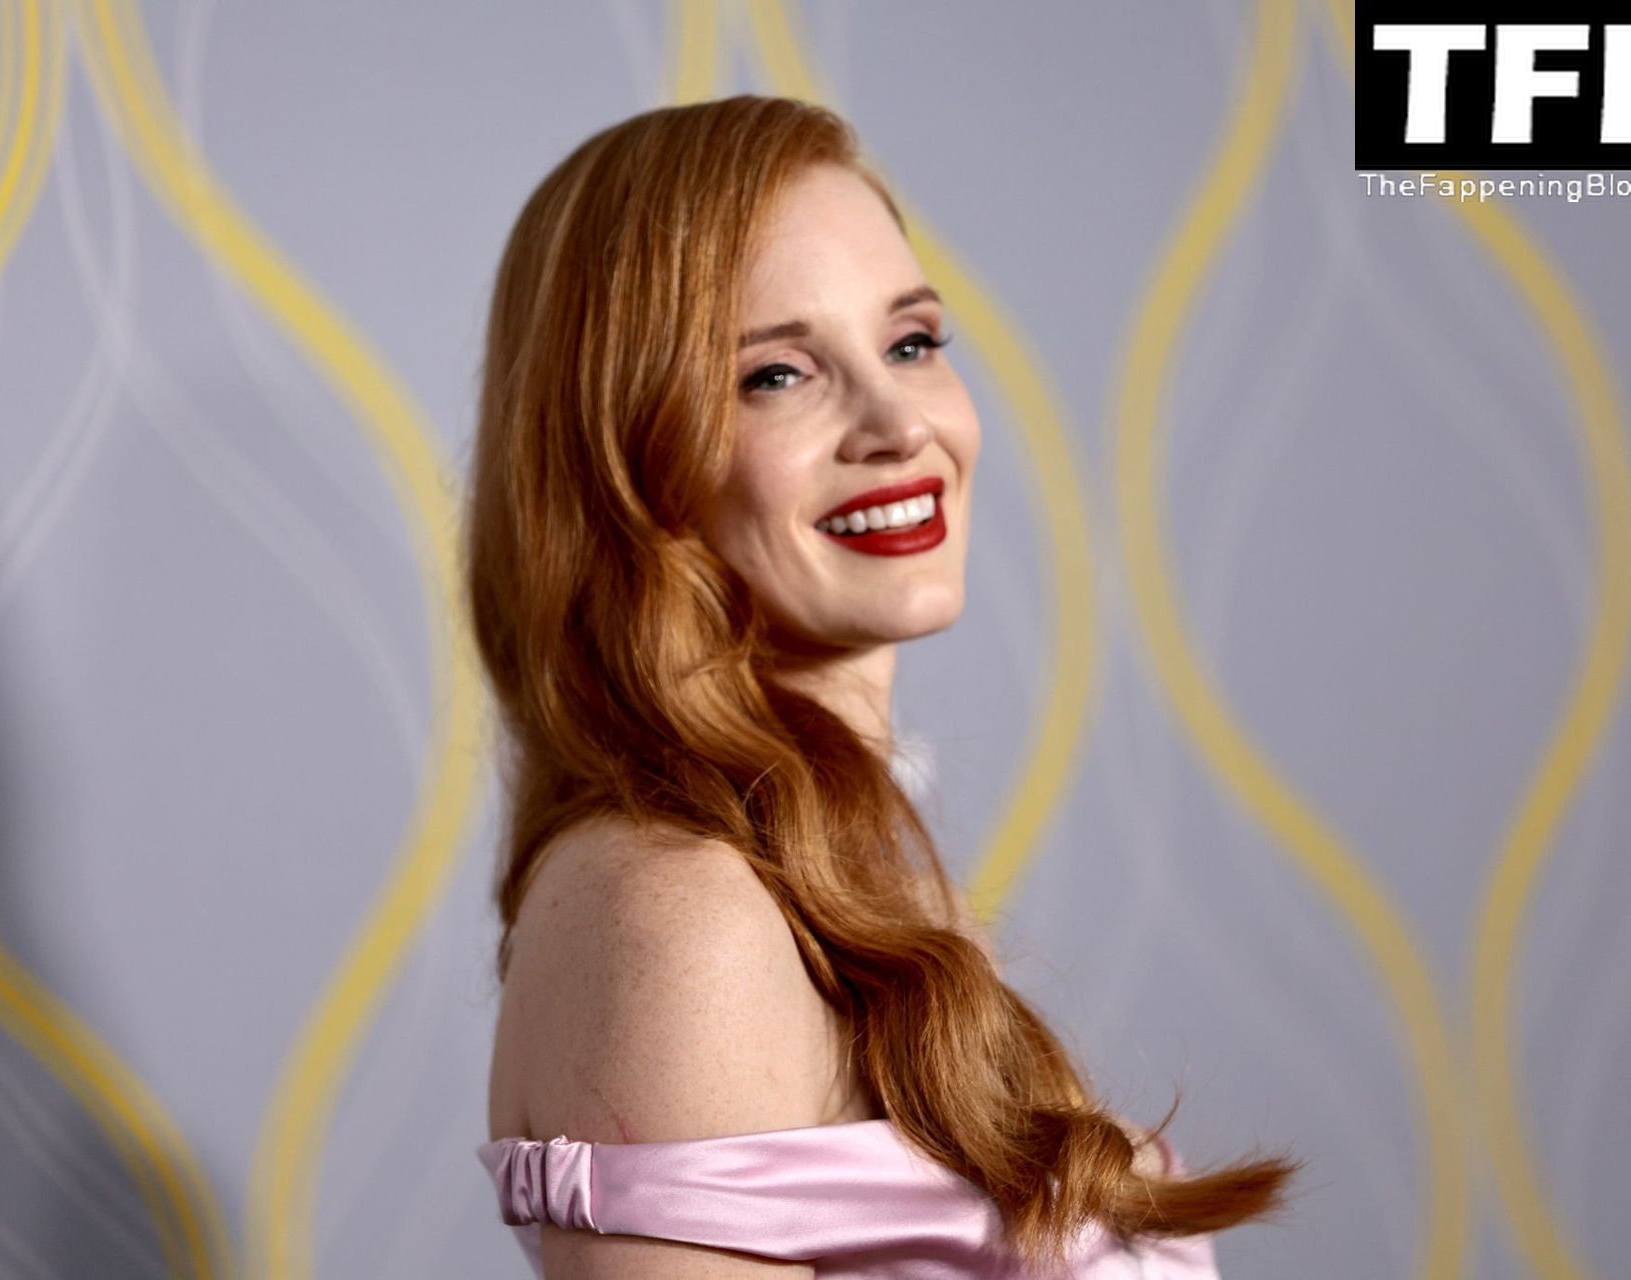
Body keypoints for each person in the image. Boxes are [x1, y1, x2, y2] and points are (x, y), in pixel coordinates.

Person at [465, 95, 1299, 1278]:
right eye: (776, 374)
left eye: (911, 343)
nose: (898, 423)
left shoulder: (845, 876)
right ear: (624, 459)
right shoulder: (684, 910)